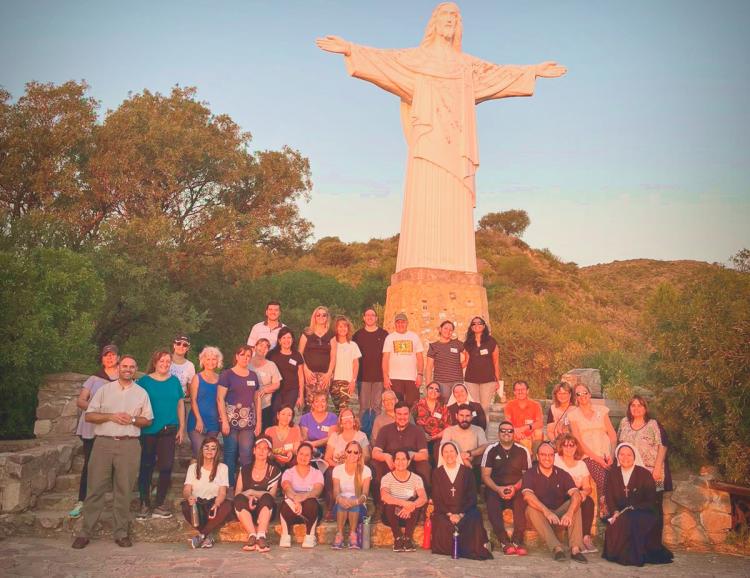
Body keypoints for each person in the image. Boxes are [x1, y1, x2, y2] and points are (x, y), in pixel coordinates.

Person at [316, 4, 566, 275]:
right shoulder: (415, 59)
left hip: (457, 146)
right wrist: (351, 49)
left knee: (456, 205)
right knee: (424, 202)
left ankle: (458, 266)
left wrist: (533, 70)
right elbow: (384, 61)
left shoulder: (467, 66)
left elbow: (498, 74)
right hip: (426, 145)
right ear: (434, 24)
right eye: (446, 17)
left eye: (455, 18)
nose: (451, 21)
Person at [71, 355, 154, 549]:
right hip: (103, 444)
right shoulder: (103, 390)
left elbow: (147, 420)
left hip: (129, 444)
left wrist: (132, 420)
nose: (127, 369)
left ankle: (121, 533)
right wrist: (111, 416)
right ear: (118, 368)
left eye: (131, 367)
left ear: (135, 370)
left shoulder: (141, 393)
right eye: (124, 366)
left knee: (124, 490)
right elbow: (90, 415)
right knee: (95, 489)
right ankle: (85, 532)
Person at [602, 443, 674, 566]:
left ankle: (632, 556)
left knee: (631, 519)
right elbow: (609, 497)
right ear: (617, 456)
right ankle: (621, 553)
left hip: (643, 512)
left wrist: (632, 508)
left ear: (634, 456)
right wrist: (615, 511)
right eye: (622, 454)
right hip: (620, 513)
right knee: (622, 520)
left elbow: (651, 500)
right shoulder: (612, 474)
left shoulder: (644, 474)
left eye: (629, 455)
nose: (625, 457)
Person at [69, 344, 120, 519]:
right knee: (90, 463)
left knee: (115, 464)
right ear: (102, 359)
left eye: (113, 355)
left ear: (118, 358)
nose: (110, 358)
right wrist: (98, 411)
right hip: (92, 427)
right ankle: (82, 500)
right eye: (106, 355)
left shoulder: (124, 377)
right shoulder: (94, 379)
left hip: (115, 428)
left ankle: (116, 503)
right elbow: (81, 401)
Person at [136, 349, 186, 519]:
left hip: (169, 429)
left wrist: (182, 427)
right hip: (148, 429)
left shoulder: (174, 382)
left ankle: (159, 503)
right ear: (155, 363)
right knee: (146, 466)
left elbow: (180, 404)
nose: (164, 364)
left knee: (166, 467)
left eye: (167, 361)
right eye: (161, 361)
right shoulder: (144, 382)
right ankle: (144, 503)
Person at [521, 442, 587, 563]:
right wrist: (546, 512)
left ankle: (575, 549)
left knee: (575, 503)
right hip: (540, 517)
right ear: (537, 456)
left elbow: (576, 494)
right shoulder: (530, 474)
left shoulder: (562, 474)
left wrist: (570, 513)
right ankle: (557, 548)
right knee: (530, 508)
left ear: (554, 456)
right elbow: (527, 496)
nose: (547, 458)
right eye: (543, 455)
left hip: (558, 516)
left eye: (550, 455)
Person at [617, 395, 671, 540]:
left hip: (653, 471)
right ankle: (636, 542)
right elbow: (619, 446)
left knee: (655, 506)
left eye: (640, 405)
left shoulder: (653, 424)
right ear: (629, 408)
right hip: (631, 473)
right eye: (633, 405)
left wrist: (658, 468)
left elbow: (663, 445)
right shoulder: (623, 423)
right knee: (634, 506)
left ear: (645, 408)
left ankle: (653, 543)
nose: (636, 408)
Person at [431, 441, 493, 560]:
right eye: (446, 452)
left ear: (457, 453)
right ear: (442, 455)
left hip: (464, 510)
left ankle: (470, 547)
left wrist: (460, 514)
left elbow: (472, 497)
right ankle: (450, 548)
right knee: (440, 521)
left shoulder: (467, 472)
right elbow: (437, 498)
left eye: (451, 451)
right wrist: (450, 515)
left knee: (474, 516)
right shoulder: (437, 473)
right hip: (445, 512)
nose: (449, 454)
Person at [481, 420, 531, 556]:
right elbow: (485, 476)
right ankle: (504, 541)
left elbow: (528, 476)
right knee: (492, 500)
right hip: (495, 488)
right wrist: (498, 489)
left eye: (510, 431)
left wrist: (515, 487)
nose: (506, 433)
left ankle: (517, 540)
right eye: (503, 430)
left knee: (522, 499)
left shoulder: (522, 451)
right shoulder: (491, 450)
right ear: (498, 433)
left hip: (516, 487)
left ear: (514, 433)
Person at [372, 402, 432, 512]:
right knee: (376, 466)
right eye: (399, 414)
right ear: (394, 414)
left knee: (425, 467)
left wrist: (411, 455)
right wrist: (386, 457)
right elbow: (375, 452)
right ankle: (380, 506)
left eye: (405, 414)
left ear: (409, 415)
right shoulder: (385, 430)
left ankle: (422, 506)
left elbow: (424, 454)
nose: (402, 417)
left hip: (410, 464)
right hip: (391, 464)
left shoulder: (417, 431)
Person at [568, 383, 617, 516]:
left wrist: (612, 455)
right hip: (588, 456)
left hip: (607, 454)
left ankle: (607, 512)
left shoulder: (602, 410)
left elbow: (612, 435)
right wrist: (598, 459)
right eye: (578, 394)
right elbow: (579, 441)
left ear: (589, 394)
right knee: (604, 479)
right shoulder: (573, 415)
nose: (582, 396)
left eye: (584, 393)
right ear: (575, 397)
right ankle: (608, 512)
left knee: (615, 479)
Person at [217, 345, 262, 486]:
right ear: (237, 356)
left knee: (246, 454)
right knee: (230, 453)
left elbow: (257, 399)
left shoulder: (253, 376)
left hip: (248, 422)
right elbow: (220, 399)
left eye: (248, 356)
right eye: (242, 355)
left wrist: (259, 422)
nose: (245, 358)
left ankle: (245, 485)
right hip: (230, 421)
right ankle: (229, 485)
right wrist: (224, 421)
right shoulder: (227, 374)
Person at [181, 437, 233, 549]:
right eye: (207, 448)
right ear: (202, 450)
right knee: (185, 506)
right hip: (197, 502)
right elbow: (186, 489)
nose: (209, 451)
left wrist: (217, 503)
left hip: (213, 502)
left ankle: (202, 535)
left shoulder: (223, 468)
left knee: (227, 505)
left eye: (213, 448)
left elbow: (223, 492)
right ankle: (207, 536)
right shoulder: (193, 467)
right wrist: (189, 497)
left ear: (217, 452)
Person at [235, 437, 281, 553]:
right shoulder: (244, 469)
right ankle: (252, 535)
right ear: (254, 450)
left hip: (265, 510)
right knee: (239, 499)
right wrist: (249, 497)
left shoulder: (274, 470)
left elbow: (272, 494)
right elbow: (237, 493)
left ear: (269, 452)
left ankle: (261, 536)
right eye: (259, 448)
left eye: (265, 449)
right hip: (246, 510)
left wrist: (252, 492)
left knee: (267, 497)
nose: (261, 451)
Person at [322, 409, 370, 519]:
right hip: (338, 466)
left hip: (356, 465)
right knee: (330, 473)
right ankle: (331, 507)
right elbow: (327, 457)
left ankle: (360, 503)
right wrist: (339, 467)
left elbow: (367, 455)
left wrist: (355, 461)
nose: (347, 420)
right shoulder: (335, 436)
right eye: (344, 418)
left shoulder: (361, 435)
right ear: (340, 422)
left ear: (354, 421)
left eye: (350, 418)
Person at [554, 433, 597, 553]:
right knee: (574, 500)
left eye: (572, 445)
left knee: (588, 502)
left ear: (576, 447)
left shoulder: (581, 465)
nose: (569, 448)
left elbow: (588, 487)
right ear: (561, 447)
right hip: (560, 495)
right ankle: (574, 540)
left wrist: (583, 493)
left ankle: (586, 537)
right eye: (565, 445)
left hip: (576, 494)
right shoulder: (556, 459)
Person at [380, 449, 428, 552]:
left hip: (410, 516)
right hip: (392, 516)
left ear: (408, 461)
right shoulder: (387, 478)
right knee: (390, 505)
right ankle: (398, 538)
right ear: (393, 462)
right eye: (397, 459)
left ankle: (407, 539)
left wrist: (411, 506)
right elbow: (384, 496)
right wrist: (405, 504)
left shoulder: (416, 478)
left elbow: (423, 498)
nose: (400, 462)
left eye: (403, 459)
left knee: (416, 502)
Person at [279, 442, 324, 548]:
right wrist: (295, 499)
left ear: (311, 457)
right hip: (293, 508)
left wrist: (301, 498)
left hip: (310, 511)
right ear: (297, 454)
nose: (303, 457)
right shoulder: (289, 472)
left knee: (311, 502)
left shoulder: (317, 473)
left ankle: (310, 536)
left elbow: (317, 491)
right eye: (301, 454)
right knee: (286, 502)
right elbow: (287, 488)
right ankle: (285, 535)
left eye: (307, 455)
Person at [331, 440, 372, 549]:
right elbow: (335, 491)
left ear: (359, 455)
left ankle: (353, 535)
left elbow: (365, 493)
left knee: (353, 498)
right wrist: (340, 499)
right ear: (345, 452)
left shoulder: (366, 470)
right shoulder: (337, 469)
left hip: (359, 506)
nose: (352, 454)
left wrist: (356, 501)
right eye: (349, 451)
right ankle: (339, 535)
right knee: (343, 499)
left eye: (355, 452)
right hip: (340, 506)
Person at [352, 308, 389, 423]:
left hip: (379, 377)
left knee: (377, 407)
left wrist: (387, 375)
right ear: (363, 318)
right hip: (363, 377)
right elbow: (353, 358)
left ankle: (375, 433)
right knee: (363, 407)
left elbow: (387, 356)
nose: (370, 317)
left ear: (376, 318)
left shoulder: (384, 334)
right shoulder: (357, 335)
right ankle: (363, 433)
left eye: (372, 315)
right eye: (367, 315)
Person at [463, 316, 503, 418]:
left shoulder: (491, 341)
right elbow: (466, 362)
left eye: (479, 323)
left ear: (484, 326)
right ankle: (475, 433)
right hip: (471, 380)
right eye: (474, 323)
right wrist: (451, 366)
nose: (477, 325)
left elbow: (496, 362)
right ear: (471, 327)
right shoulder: (468, 343)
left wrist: (497, 380)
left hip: (488, 380)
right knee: (474, 409)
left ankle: (484, 433)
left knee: (484, 409)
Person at [382, 313, 424, 409]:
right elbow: (385, 358)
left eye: (403, 322)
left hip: (411, 378)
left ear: (407, 323)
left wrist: (420, 374)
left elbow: (420, 358)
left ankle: (412, 424)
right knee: (396, 406)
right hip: (394, 378)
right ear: (395, 324)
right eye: (398, 322)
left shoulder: (414, 337)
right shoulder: (390, 338)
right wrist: (385, 377)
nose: (400, 324)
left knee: (413, 406)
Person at [187, 346, 222, 459]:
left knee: (210, 456)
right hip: (197, 422)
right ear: (203, 360)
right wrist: (199, 420)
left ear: (218, 361)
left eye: (213, 359)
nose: (211, 362)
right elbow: (193, 400)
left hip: (213, 423)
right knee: (200, 453)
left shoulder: (221, 379)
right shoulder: (197, 378)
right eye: (208, 359)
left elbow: (221, 400)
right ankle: (194, 476)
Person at [299, 306, 337, 410]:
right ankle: (307, 425)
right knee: (309, 403)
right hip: (309, 374)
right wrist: (305, 369)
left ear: (327, 317)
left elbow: (333, 356)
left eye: (324, 315)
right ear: (314, 317)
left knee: (322, 403)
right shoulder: (307, 333)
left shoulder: (331, 335)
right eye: (318, 315)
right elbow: (300, 354)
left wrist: (329, 373)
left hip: (324, 375)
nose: (321, 317)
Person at [439, 404, 488, 474]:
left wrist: (469, 453)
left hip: (474, 467)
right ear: (456, 416)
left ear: (472, 417)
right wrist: (463, 460)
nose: (464, 419)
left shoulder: (478, 430)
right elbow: (444, 448)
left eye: (467, 416)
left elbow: (484, 447)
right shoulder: (449, 431)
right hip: (453, 466)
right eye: (461, 415)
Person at [425, 320, 466, 402]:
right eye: (445, 328)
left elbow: (468, 354)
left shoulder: (457, 343)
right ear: (440, 329)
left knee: (458, 406)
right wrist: (428, 386)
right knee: (444, 407)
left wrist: (464, 364)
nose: (448, 331)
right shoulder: (433, 346)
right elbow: (429, 367)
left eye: (450, 330)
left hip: (457, 382)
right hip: (441, 383)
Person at [267, 327, 305, 416]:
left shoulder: (297, 355)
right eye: (283, 338)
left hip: (292, 390)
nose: (286, 340)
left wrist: (301, 395)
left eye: (289, 338)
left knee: (288, 413)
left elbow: (301, 376)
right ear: (279, 341)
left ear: (292, 340)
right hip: (276, 390)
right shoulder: (272, 354)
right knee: (275, 412)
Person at [412, 381, 450, 464]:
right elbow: (411, 422)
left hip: (438, 439)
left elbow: (448, 427)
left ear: (439, 394)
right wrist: (421, 434)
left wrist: (435, 436)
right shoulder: (418, 404)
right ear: (426, 390)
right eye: (431, 388)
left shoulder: (443, 407)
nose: (433, 391)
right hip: (420, 439)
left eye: (437, 390)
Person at [330, 315, 361, 413]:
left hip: (346, 382)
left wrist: (353, 381)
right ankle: (339, 427)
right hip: (333, 382)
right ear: (336, 328)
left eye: (345, 326)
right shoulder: (332, 344)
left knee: (343, 408)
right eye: (340, 326)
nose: (343, 329)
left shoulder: (352, 345)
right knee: (337, 409)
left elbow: (356, 364)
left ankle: (344, 427)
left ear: (348, 328)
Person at [249, 337, 282, 429]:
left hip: (265, 405)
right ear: (255, 347)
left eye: (266, 347)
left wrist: (265, 389)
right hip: (248, 405)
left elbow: (277, 384)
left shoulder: (271, 365)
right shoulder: (247, 362)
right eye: (260, 345)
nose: (263, 348)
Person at [504, 380, 543, 452]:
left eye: (523, 389)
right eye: (518, 390)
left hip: (530, 435)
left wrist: (525, 428)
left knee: (539, 433)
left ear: (527, 391)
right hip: (516, 435)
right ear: (514, 392)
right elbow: (507, 422)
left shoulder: (535, 405)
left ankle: (535, 459)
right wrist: (516, 431)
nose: (520, 392)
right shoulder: (509, 405)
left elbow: (539, 423)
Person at [299, 391, 338, 459]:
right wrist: (311, 447)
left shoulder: (333, 417)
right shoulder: (305, 418)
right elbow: (304, 438)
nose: (320, 404)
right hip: (310, 450)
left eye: (323, 401)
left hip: (327, 450)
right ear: (313, 404)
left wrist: (313, 444)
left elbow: (331, 438)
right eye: (317, 401)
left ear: (326, 404)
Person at [264, 405, 302, 469]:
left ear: (292, 417)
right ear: (278, 415)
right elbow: (266, 450)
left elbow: (296, 448)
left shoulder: (295, 430)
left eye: (289, 415)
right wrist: (275, 456)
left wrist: (291, 453)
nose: (286, 417)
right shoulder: (269, 431)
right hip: (272, 463)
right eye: (283, 414)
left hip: (290, 463)